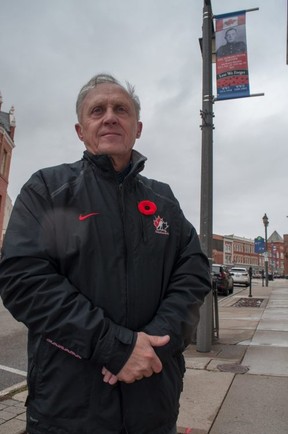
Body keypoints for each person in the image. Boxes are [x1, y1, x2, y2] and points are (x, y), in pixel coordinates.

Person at [0, 73, 211, 434]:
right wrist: (115, 347)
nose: (110, 116)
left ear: (137, 128)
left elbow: (193, 273)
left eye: (121, 109)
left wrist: (154, 345)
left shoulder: (163, 201)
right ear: (81, 130)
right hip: (67, 412)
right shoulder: (48, 191)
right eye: (97, 110)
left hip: (153, 406)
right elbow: (23, 280)